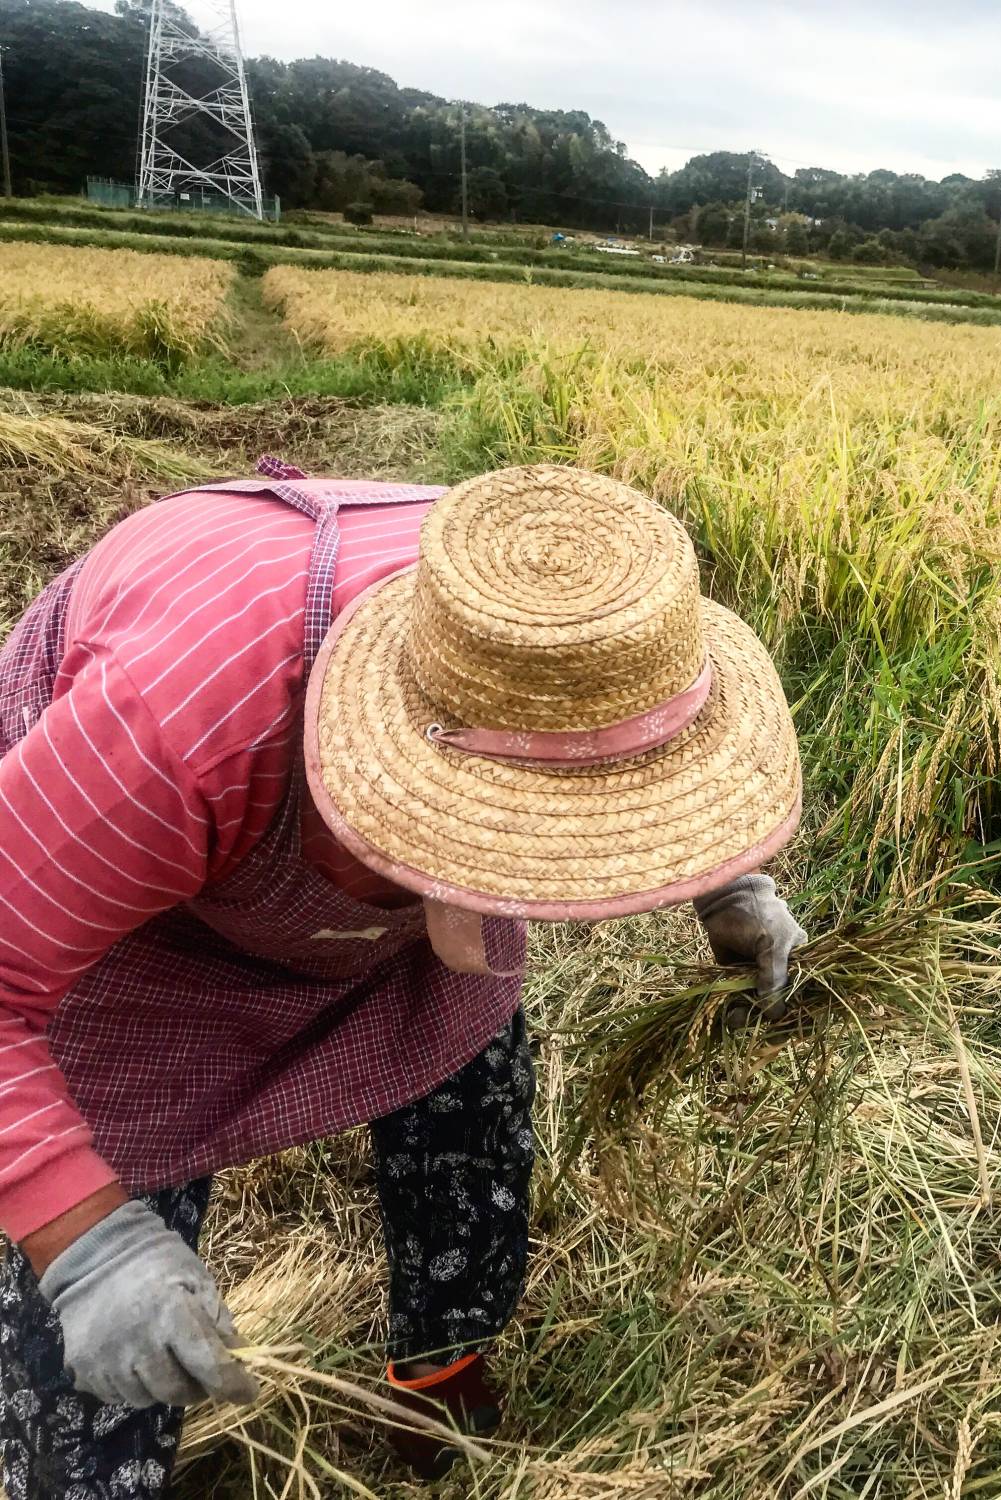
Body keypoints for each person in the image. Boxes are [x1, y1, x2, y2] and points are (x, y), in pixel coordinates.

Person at [0, 461, 807, 1497]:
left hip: (343, 884)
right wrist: (87, 1245)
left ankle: (439, 1370)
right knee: (93, 1327)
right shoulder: (175, 725)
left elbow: (623, 754)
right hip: (133, 925)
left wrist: (721, 879)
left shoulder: (561, 629)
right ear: (397, 767)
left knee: (471, 1089)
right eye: (522, 837)